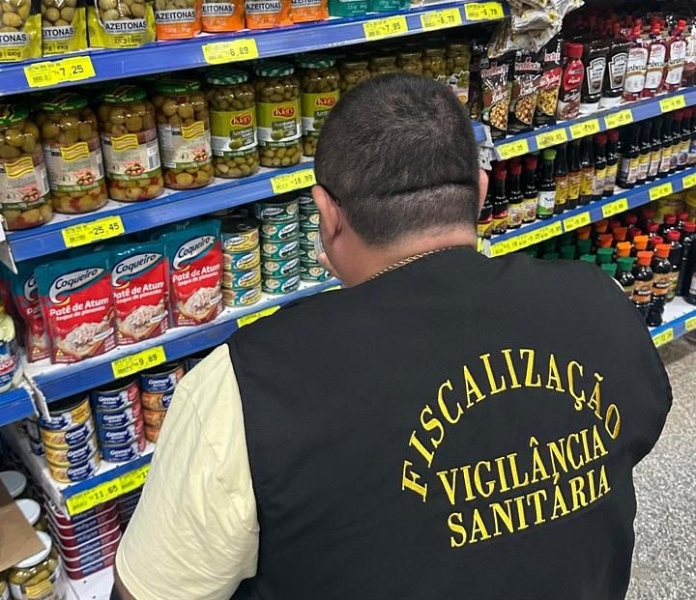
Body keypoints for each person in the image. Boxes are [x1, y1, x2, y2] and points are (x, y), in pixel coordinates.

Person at [112, 74, 672, 600]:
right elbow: (637, 434)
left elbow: (149, 591)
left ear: (327, 213)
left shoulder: (242, 387)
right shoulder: (598, 299)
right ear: (480, 193)